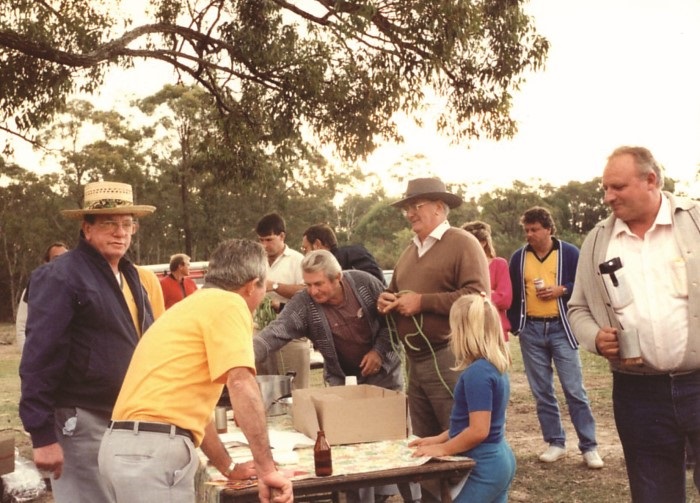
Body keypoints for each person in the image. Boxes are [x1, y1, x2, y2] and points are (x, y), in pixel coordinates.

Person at [98, 239, 293, 503]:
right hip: (153, 452)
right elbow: (241, 384)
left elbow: (195, 414)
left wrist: (229, 467)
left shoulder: (189, 307)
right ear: (250, 286)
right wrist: (267, 469)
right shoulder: (229, 304)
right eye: (264, 287)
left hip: (120, 448)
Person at [18, 181, 165, 503]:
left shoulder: (131, 277)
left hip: (124, 417)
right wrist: (42, 436)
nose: (120, 232)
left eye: (127, 224)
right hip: (80, 419)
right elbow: (39, 357)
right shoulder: (60, 276)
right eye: (109, 223)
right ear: (87, 229)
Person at [568, 146, 700, 501]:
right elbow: (577, 308)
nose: (608, 197)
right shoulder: (597, 240)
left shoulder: (696, 222)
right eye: (605, 188)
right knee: (654, 495)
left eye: (618, 187)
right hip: (639, 394)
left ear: (651, 180)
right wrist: (595, 338)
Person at [255, 249, 419, 503]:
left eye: (319, 284)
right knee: (347, 442)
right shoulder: (304, 303)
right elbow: (276, 332)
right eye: (308, 284)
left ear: (337, 278)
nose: (313, 291)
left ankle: (415, 498)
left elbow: (392, 322)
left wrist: (379, 351)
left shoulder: (365, 283)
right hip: (342, 380)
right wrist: (241, 355)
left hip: (384, 374)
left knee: (396, 437)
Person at [377, 177, 491, 439]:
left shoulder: (463, 243)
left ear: (439, 207)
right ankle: (432, 483)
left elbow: (477, 297)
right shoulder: (409, 250)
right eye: (408, 208)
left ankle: (466, 482)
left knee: (457, 433)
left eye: (417, 206)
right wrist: (387, 300)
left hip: (450, 355)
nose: (409, 214)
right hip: (415, 360)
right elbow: (394, 290)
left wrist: (422, 302)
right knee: (425, 438)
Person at [507, 206, 603, 469]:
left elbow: (586, 283)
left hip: (561, 327)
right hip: (532, 330)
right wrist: (517, 326)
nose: (529, 234)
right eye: (526, 230)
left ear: (548, 229)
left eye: (535, 229)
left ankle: (589, 446)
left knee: (574, 389)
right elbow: (513, 292)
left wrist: (562, 289)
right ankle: (556, 442)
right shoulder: (519, 257)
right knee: (542, 392)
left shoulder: (568, 252)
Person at [410, 293, 516, 503]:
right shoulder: (493, 366)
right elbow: (470, 423)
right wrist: (439, 438)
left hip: (486, 466)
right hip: (499, 459)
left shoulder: (477, 373)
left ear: (463, 332)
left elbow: (478, 430)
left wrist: (443, 449)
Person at [255, 212, 309, 388]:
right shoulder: (256, 261)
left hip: (291, 335)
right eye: (261, 240)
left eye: (269, 240)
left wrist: (275, 287)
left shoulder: (298, 260)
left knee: (296, 389)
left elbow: (308, 292)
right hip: (261, 333)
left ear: (282, 236)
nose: (264, 245)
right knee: (265, 389)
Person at [461, 221, 512, 341]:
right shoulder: (461, 267)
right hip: (469, 331)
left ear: (483, 242)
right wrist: (489, 294)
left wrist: (472, 296)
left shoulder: (499, 264)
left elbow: (505, 300)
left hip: (495, 330)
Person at [15, 241, 69, 352]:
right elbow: (21, 326)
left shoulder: (79, 289)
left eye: (65, 258)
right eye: (56, 258)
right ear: (46, 262)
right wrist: (28, 357)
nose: (61, 262)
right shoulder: (33, 289)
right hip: (41, 359)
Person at [301, 223, 385, 284]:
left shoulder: (354, 254)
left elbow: (374, 282)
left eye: (305, 249)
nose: (305, 255)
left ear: (317, 245)